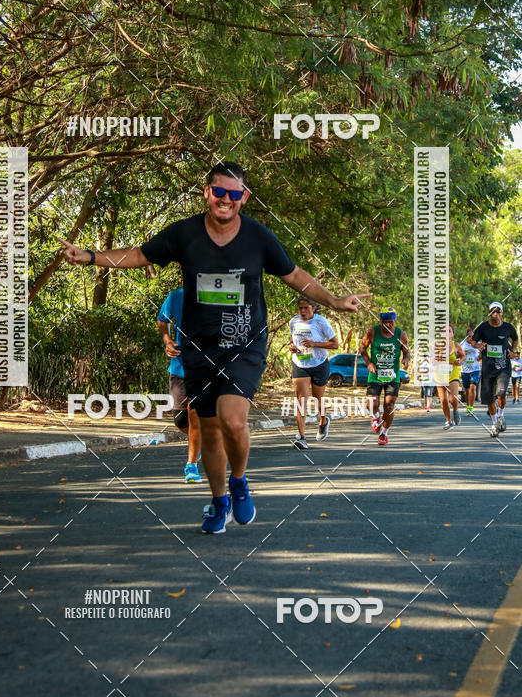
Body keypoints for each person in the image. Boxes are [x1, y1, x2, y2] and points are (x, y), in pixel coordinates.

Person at [59, 161, 369, 534]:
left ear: (244, 198)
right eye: (219, 192)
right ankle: (218, 502)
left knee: (233, 419)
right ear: (207, 193)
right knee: (208, 430)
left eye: (234, 194)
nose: (226, 200)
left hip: (244, 345)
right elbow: (140, 254)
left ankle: (239, 482)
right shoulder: (185, 233)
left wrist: (334, 301)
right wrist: (90, 256)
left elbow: (295, 275)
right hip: (199, 348)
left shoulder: (258, 237)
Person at [157, 287, 202, 483]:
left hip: (204, 367)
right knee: (181, 421)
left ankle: (191, 465)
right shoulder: (176, 296)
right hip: (179, 366)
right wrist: (167, 340)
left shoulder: (215, 295)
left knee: (195, 414)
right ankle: (201, 442)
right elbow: (162, 320)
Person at [288, 296, 338, 449]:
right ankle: (302, 437)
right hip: (300, 363)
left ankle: (323, 421)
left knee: (318, 398)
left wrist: (314, 344)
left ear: (314, 308)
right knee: (300, 400)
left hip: (319, 363)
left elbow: (335, 344)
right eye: (300, 308)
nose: (303, 311)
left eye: (306, 308)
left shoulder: (321, 322)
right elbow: (292, 340)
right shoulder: (293, 322)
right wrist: (291, 346)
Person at [360, 307, 409, 446]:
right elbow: (362, 349)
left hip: (392, 376)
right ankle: (375, 417)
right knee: (371, 403)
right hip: (375, 374)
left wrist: (406, 359)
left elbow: (406, 352)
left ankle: (384, 434)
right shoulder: (372, 332)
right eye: (384, 322)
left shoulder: (401, 335)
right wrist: (369, 363)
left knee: (389, 406)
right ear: (380, 321)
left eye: (390, 322)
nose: (388, 325)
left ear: (395, 321)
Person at [472, 301, 519, 437]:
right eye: (493, 311)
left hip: (503, 365)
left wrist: (513, 351)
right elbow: (473, 341)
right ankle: (494, 424)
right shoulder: (483, 327)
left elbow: (515, 339)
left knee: (501, 394)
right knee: (489, 399)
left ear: (502, 313)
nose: (496, 314)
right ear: (490, 313)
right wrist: (478, 346)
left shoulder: (508, 327)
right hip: (488, 367)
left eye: (499, 311)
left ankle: (501, 416)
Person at [437, 326, 464, 429]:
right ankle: (448, 421)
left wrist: (459, 361)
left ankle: (455, 410)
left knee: (452, 399)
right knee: (443, 400)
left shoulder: (456, 345)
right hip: (440, 375)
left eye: (449, 331)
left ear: (452, 334)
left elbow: (462, 356)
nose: (446, 333)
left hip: (453, 374)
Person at [459, 328, 481, 418]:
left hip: (475, 369)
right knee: (467, 390)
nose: (471, 338)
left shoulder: (477, 345)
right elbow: (457, 355)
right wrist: (463, 353)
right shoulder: (462, 345)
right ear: (467, 336)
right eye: (470, 336)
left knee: (473, 387)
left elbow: (480, 357)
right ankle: (468, 407)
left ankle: (471, 407)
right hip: (465, 370)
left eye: (473, 336)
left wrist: (480, 356)